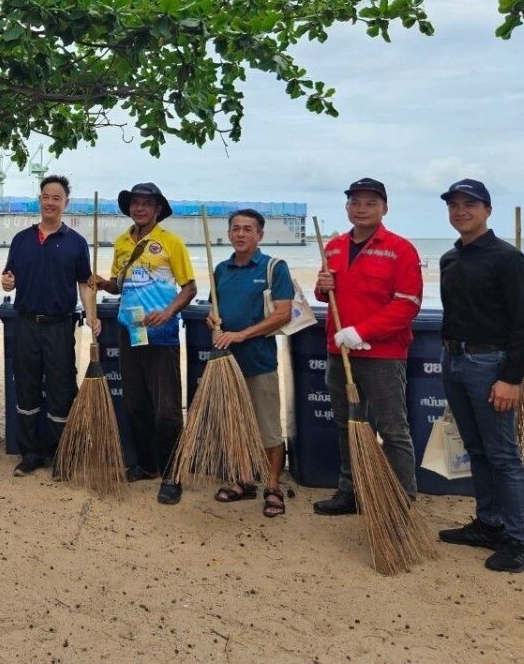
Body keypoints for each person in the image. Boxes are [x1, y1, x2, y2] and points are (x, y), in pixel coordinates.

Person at [437, 179, 524, 573]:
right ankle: (488, 524)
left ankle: (517, 542)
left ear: (487, 210)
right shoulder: (450, 258)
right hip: (454, 361)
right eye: (454, 205)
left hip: (489, 366)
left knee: (504, 455)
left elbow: (523, 325)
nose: (461, 211)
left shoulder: (507, 259)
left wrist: (511, 378)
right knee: (475, 449)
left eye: (470, 204)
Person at [312, 178, 422, 515]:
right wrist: (321, 286)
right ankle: (351, 490)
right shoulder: (333, 247)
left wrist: (363, 331)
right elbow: (326, 295)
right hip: (339, 352)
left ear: (384, 209)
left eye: (370, 203)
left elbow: (408, 304)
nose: (361, 208)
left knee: (392, 428)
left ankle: (401, 499)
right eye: (355, 202)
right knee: (348, 425)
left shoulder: (401, 249)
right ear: (347, 208)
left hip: (382, 355)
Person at [93, 182, 195, 503]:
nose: (140, 208)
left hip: (161, 332)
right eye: (135, 203)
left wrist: (167, 313)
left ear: (158, 209)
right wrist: (99, 282)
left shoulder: (171, 242)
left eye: (146, 204)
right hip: (130, 329)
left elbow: (189, 288)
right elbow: (117, 286)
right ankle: (148, 466)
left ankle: (173, 474)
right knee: (136, 403)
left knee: (167, 410)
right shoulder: (122, 242)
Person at [0, 175, 97, 478]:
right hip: (26, 324)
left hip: (60, 326)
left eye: (57, 197)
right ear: (39, 200)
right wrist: (5, 282)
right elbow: (7, 280)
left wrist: (93, 316)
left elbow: (85, 283)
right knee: (25, 388)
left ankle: (59, 454)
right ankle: (29, 454)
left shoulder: (76, 243)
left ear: (66, 203)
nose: (50, 202)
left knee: (61, 389)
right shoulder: (21, 240)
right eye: (46, 196)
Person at [207, 209, 294, 518]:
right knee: (234, 425)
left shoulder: (274, 268)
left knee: (268, 429)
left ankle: (272, 486)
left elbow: (283, 313)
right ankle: (243, 480)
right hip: (226, 363)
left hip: (259, 361)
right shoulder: (221, 269)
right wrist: (212, 320)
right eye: (236, 229)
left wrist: (243, 334)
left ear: (260, 235)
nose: (241, 234)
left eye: (248, 229)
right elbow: (213, 310)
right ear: (229, 233)